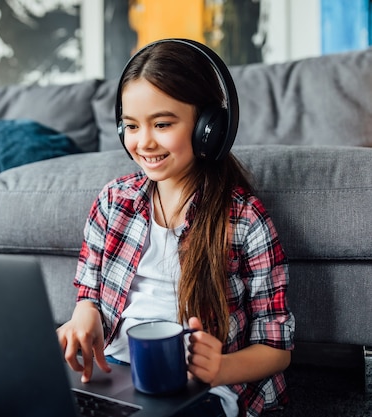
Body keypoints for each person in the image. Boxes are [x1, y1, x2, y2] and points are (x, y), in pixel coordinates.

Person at [56, 38, 295, 417]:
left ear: (208, 128)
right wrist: (84, 314)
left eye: (162, 123)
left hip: (201, 388)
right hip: (113, 371)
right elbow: (89, 292)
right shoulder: (113, 200)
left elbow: (277, 347)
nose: (144, 141)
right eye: (131, 126)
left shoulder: (245, 219)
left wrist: (220, 368)